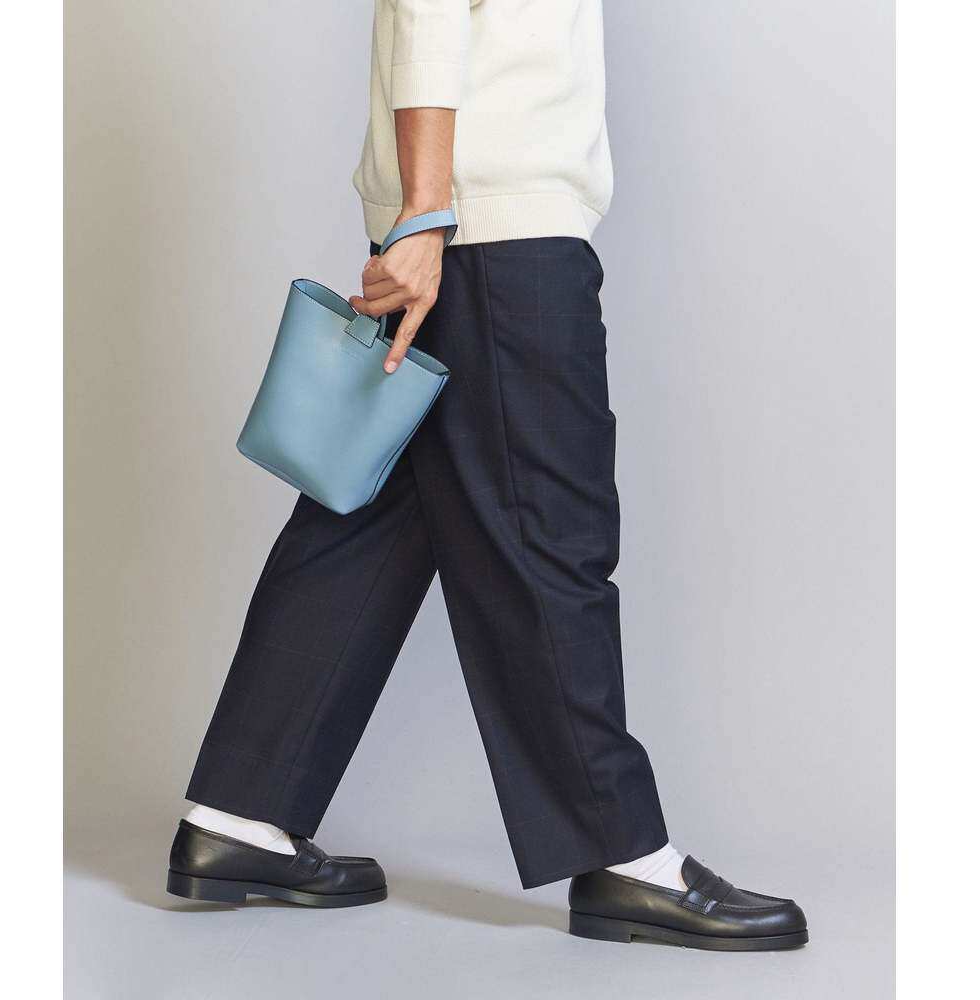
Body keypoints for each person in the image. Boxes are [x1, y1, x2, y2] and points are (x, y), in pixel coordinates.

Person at [166, 0, 808, 951]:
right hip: (490, 234)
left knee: (370, 519)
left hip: (464, 225)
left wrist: (423, 218)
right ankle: (622, 856)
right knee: (551, 532)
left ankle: (240, 815)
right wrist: (426, 216)